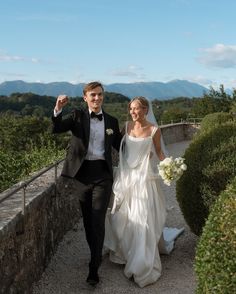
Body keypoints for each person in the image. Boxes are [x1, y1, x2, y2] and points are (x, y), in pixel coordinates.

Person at [104, 96, 183, 288]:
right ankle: (126, 252)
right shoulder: (127, 127)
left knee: (143, 218)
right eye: (131, 109)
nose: (133, 112)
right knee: (125, 216)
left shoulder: (154, 130)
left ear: (146, 110)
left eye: (136, 109)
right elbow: (120, 148)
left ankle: (142, 263)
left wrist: (169, 167)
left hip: (144, 180)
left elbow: (160, 152)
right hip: (127, 178)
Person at [52, 81, 122, 286]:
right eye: (93, 95)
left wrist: (141, 135)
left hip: (102, 175)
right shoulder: (77, 116)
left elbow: (121, 145)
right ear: (85, 98)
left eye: (100, 95)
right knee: (88, 221)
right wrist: (58, 108)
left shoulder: (111, 121)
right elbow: (56, 128)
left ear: (103, 96)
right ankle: (95, 253)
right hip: (81, 176)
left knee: (98, 219)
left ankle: (94, 266)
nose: (97, 98)